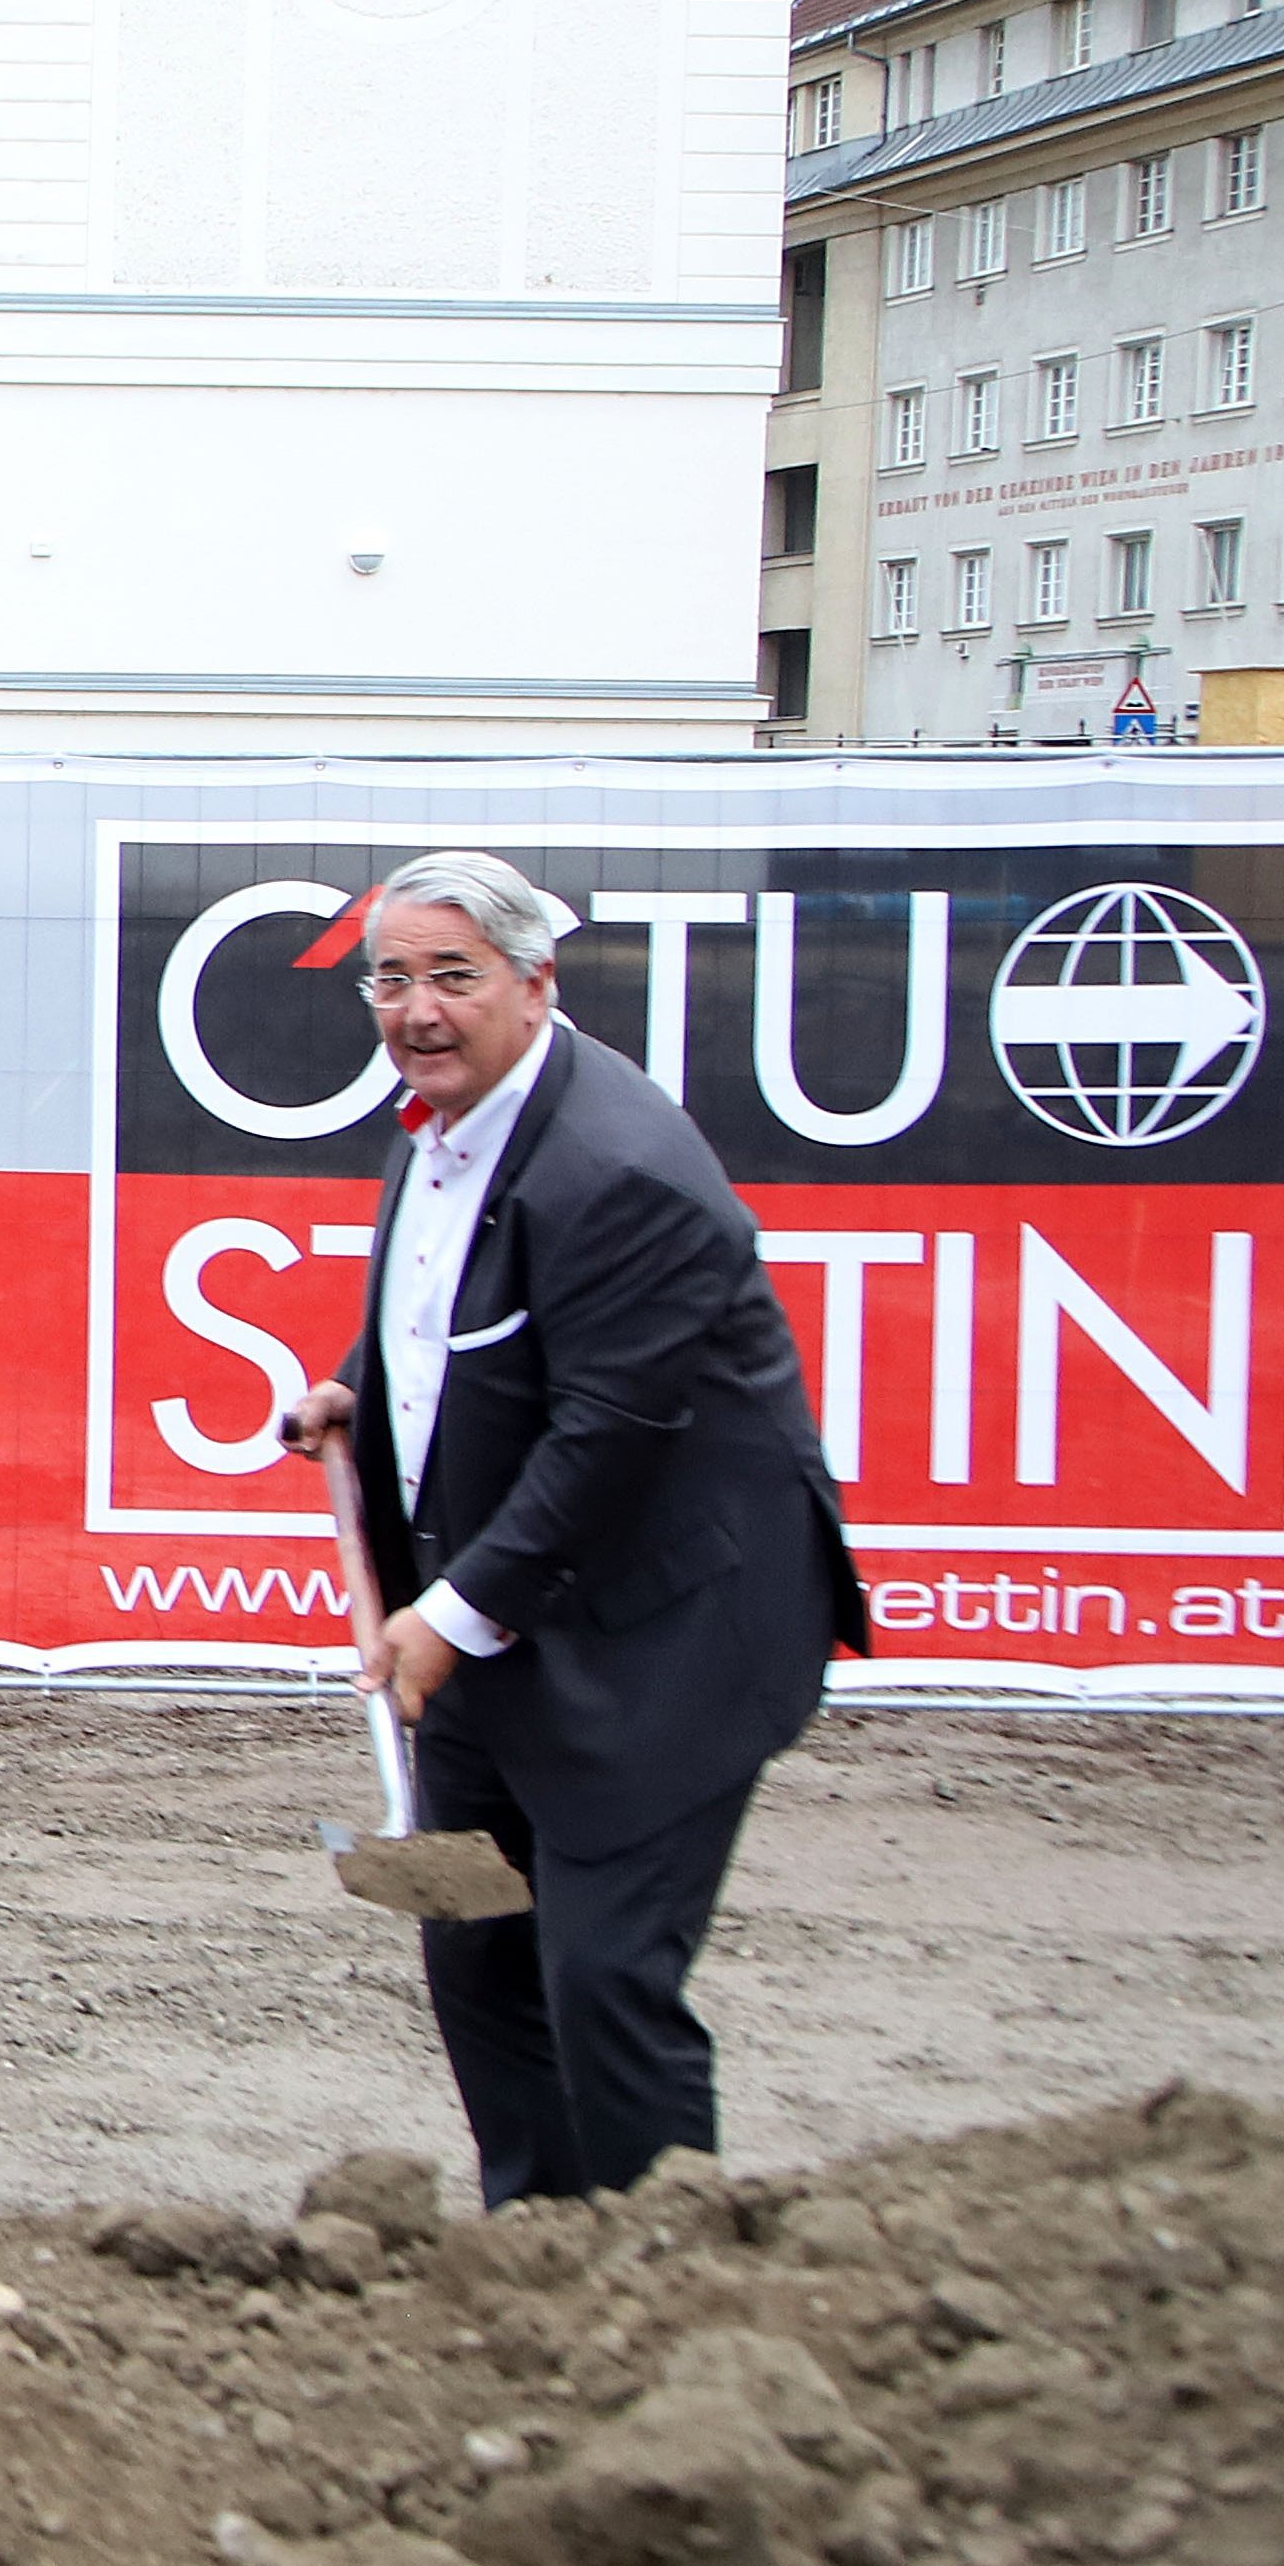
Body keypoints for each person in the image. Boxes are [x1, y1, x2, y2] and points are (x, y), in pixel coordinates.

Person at [278, 848, 863, 2209]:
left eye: (454, 978)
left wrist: (448, 1619)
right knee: (475, 1943)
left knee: (603, 1972)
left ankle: (662, 2278)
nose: (418, 1010)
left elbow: (611, 1431)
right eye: (392, 977)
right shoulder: (449, 1120)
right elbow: (454, 1313)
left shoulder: (619, 1168)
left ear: (535, 983)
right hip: (497, 1617)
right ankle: (531, 2252)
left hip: (664, 1640)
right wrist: (361, 1386)